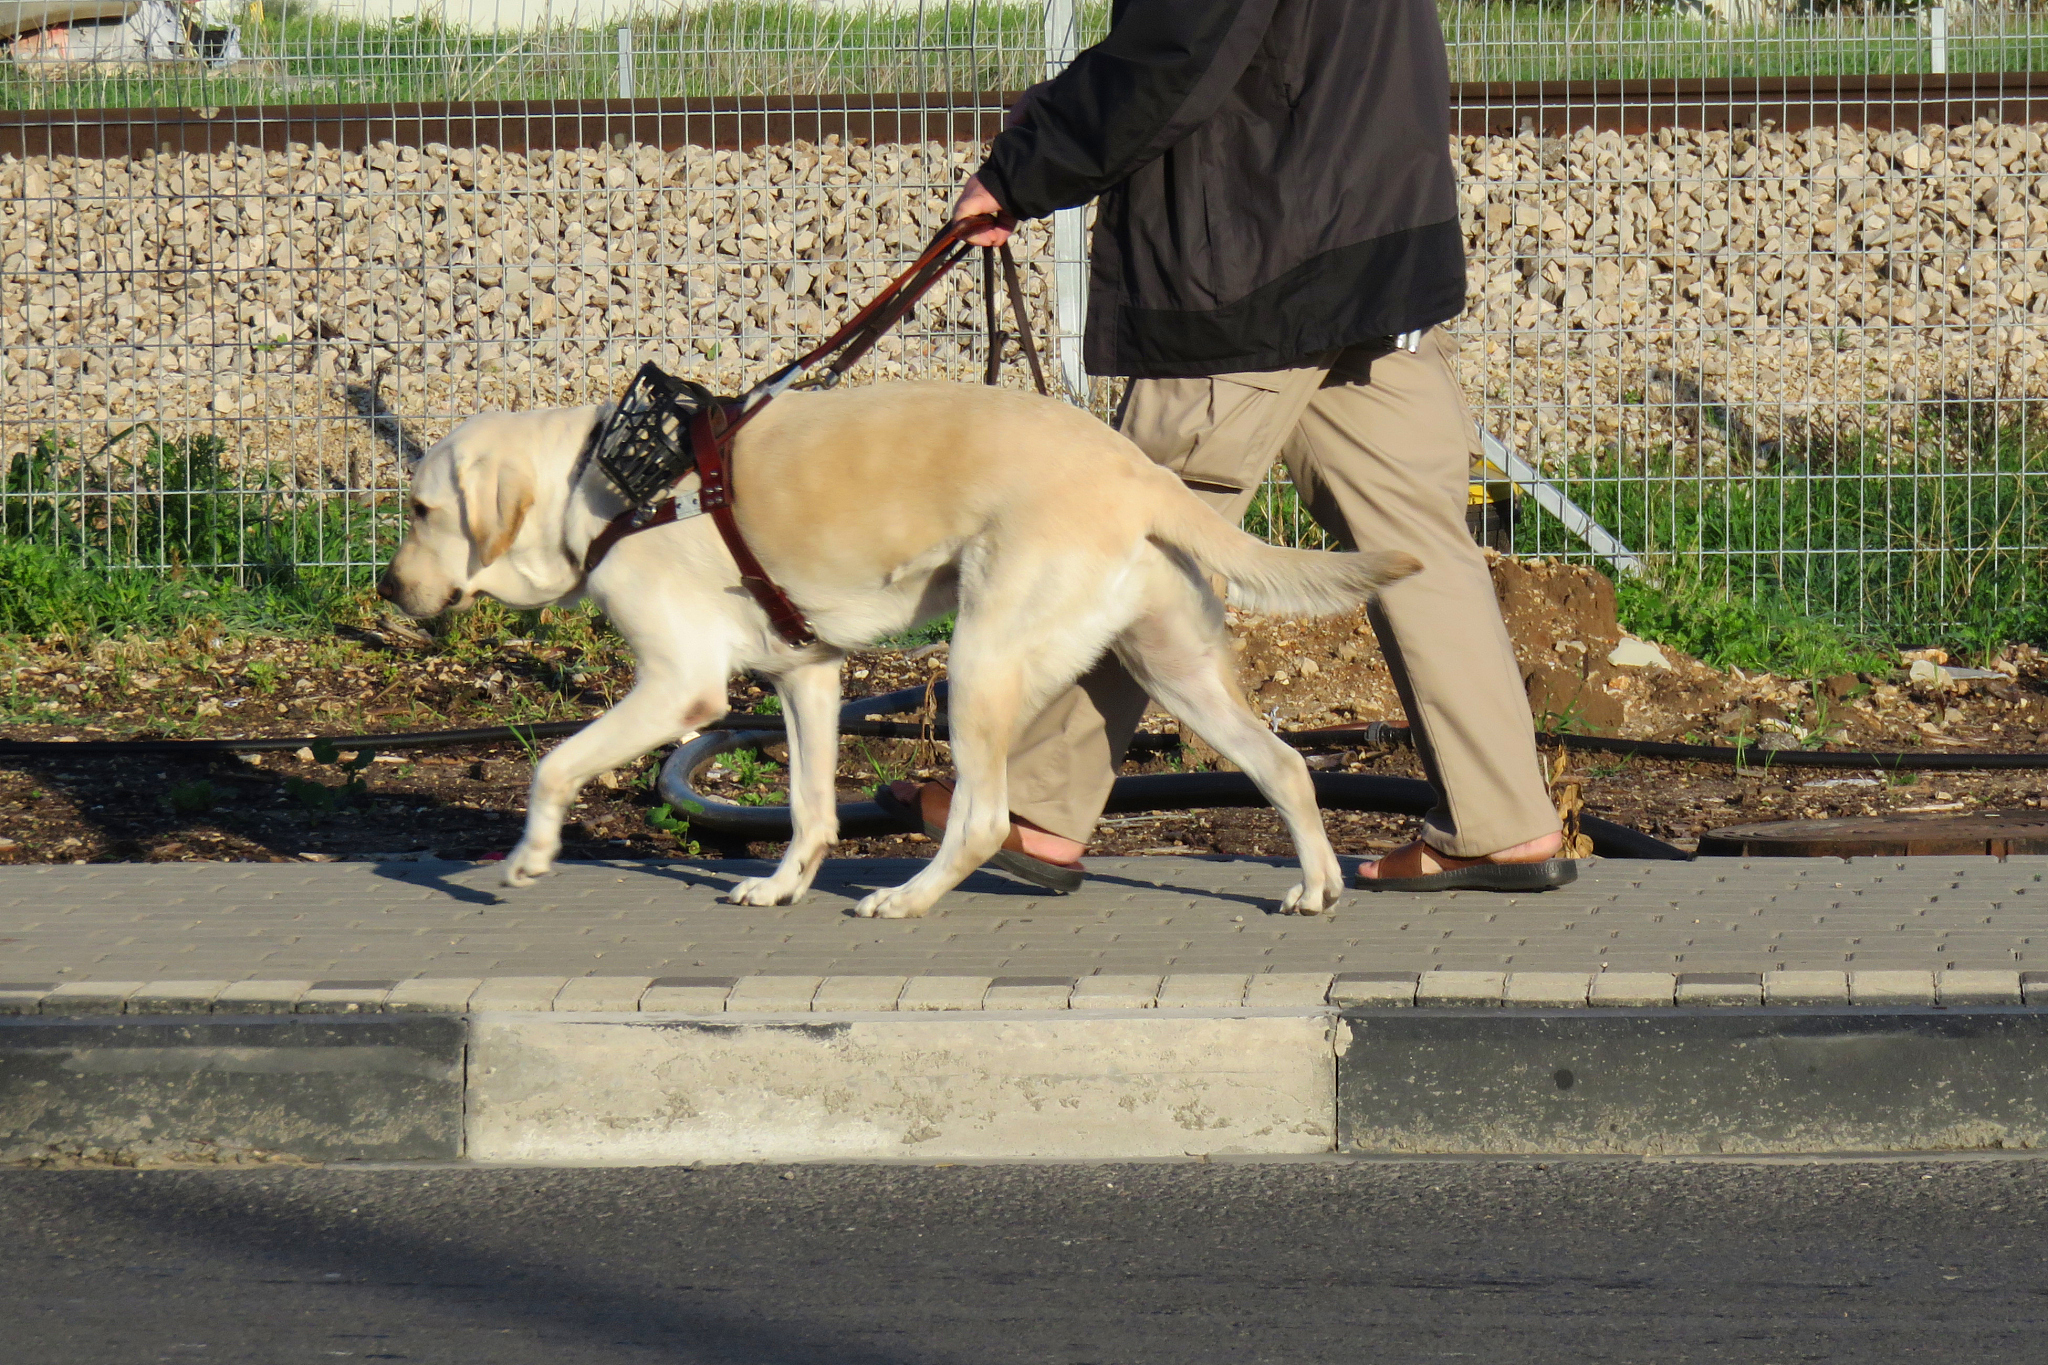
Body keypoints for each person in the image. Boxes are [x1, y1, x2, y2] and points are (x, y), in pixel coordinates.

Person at [891, 0, 1568, 893]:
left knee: (1126, 535)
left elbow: (1178, 50)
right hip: (1376, 240)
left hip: (1253, 258)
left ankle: (1027, 804)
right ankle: (1502, 818)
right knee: (1420, 544)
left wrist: (1022, 170)